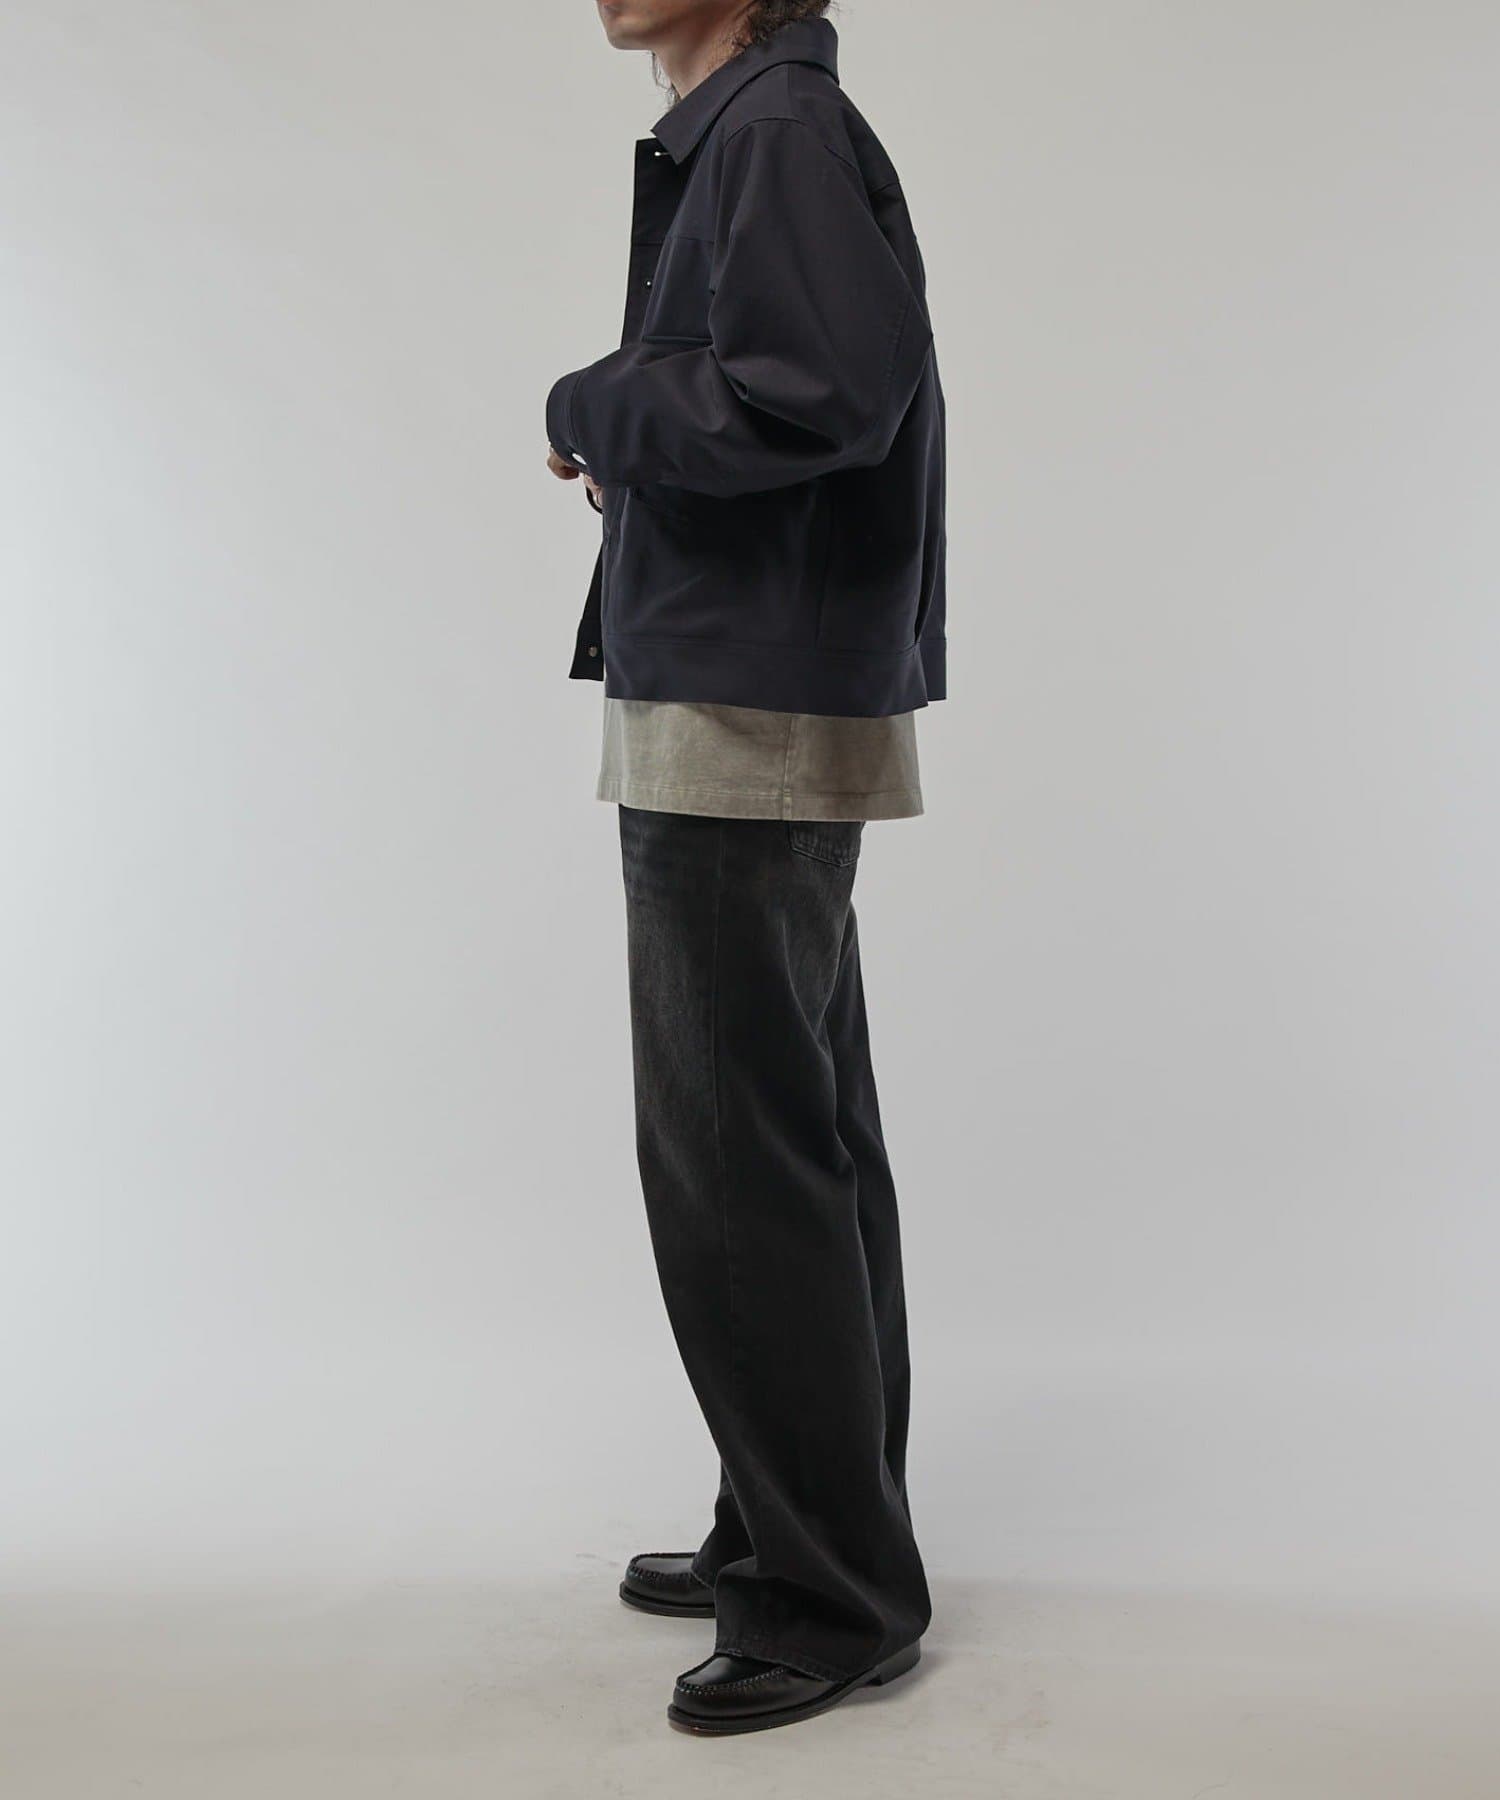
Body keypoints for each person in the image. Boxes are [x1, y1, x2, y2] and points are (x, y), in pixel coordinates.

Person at [545, 0, 946, 1737]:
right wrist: (646, 435)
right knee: (797, 1136)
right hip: (751, 675)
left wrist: (593, 400)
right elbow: (790, 397)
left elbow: (823, 394)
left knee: (738, 1155)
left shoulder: (771, 129)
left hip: (744, 696)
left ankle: (826, 1598)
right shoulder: (757, 128)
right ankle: (794, 1530)